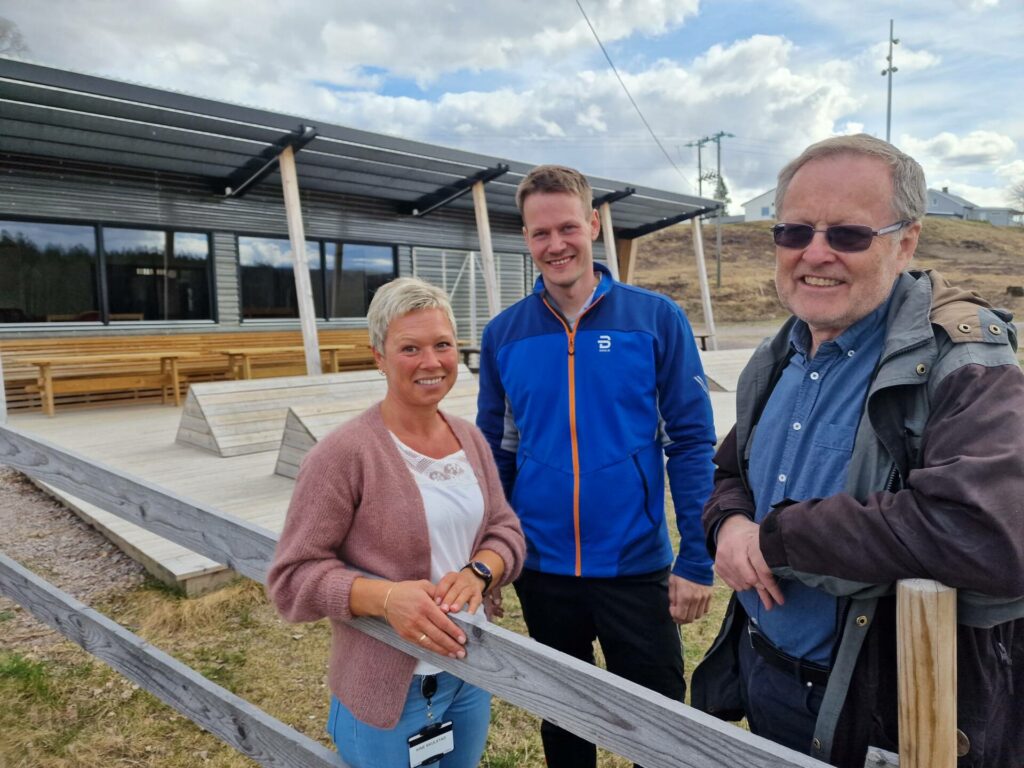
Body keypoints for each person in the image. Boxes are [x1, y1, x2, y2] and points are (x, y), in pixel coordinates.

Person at [690, 134, 1024, 767]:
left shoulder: (963, 361)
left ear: (905, 242)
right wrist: (731, 520)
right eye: (794, 232)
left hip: (886, 707)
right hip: (764, 673)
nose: (816, 253)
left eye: (847, 234)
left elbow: (988, 534)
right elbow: (730, 470)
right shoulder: (780, 353)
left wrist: (774, 539)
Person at [476, 164, 717, 767]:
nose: (555, 245)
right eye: (539, 233)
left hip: (635, 563)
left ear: (594, 223)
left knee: (659, 722)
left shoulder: (656, 319)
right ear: (525, 238)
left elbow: (691, 442)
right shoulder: (504, 334)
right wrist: (487, 556)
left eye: (566, 228)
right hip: (542, 567)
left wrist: (696, 558)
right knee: (564, 716)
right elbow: (494, 454)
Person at [267, 277, 525, 768]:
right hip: (387, 692)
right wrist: (387, 599)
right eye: (410, 348)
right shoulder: (344, 454)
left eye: (442, 345)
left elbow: (504, 530)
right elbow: (291, 580)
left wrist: (481, 571)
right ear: (379, 357)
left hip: (468, 675)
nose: (431, 362)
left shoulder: (469, 438)